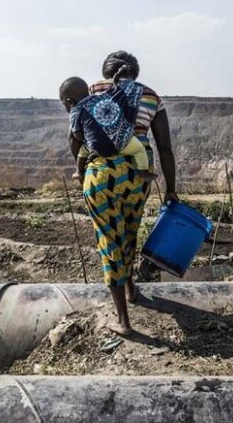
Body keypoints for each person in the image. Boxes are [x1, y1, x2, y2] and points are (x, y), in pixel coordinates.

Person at [61, 51, 178, 336]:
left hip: (102, 176)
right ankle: (130, 290)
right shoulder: (151, 96)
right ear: (134, 73)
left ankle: (123, 321)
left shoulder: (94, 90)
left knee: (109, 239)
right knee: (129, 231)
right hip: (138, 177)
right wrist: (171, 190)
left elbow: (76, 136)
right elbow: (164, 147)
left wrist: (81, 164)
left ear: (106, 72)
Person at [59, 76, 157, 183]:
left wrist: (85, 138)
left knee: (82, 152)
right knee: (139, 148)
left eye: (65, 105)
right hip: (120, 143)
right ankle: (143, 173)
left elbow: (77, 135)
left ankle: (79, 171)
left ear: (69, 102)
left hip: (97, 148)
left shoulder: (75, 112)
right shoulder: (100, 98)